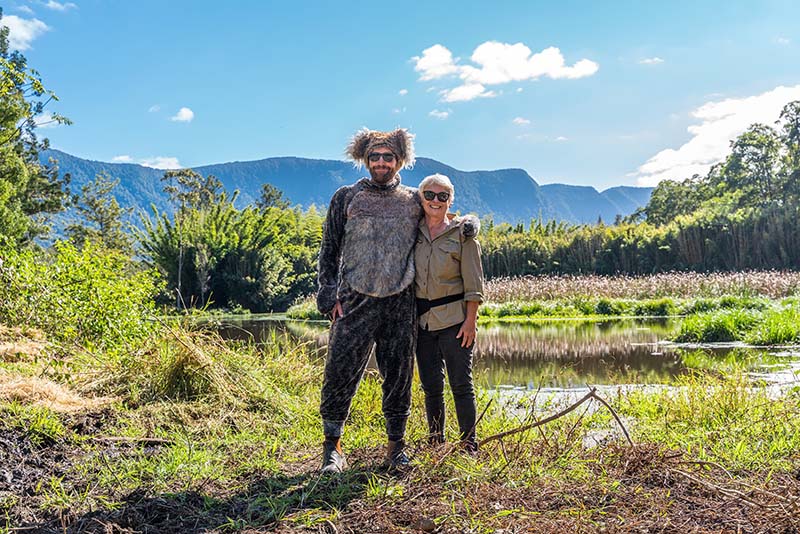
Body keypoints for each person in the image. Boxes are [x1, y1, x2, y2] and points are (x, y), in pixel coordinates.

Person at [316, 128, 421, 473]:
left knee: (399, 375)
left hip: (399, 300)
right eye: (374, 157)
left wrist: (469, 226)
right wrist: (328, 295)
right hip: (353, 300)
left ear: (399, 160)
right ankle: (332, 448)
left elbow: (442, 223)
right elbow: (329, 250)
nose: (380, 162)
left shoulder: (414, 200)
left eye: (387, 157)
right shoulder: (346, 197)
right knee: (339, 372)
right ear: (364, 159)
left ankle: (396, 449)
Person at [414, 173, 484, 452]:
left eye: (442, 196)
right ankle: (436, 443)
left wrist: (471, 322)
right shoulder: (412, 231)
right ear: (421, 198)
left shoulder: (463, 236)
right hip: (422, 324)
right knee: (431, 387)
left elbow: (474, 285)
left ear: (450, 200)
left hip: (455, 322)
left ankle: (469, 445)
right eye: (429, 195)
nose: (435, 200)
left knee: (461, 385)